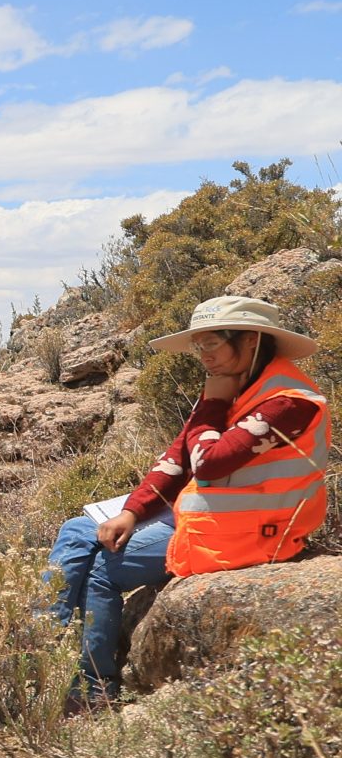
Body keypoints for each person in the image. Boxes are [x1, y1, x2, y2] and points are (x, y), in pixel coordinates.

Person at [47, 295, 327, 700]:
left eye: (212, 343)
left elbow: (208, 463)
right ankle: (39, 640)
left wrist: (212, 402)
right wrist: (132, 512)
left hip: (254, 532)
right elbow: (177, 459)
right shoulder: (234, 385)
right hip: (213, 518)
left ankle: (88, 687)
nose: (203, 356)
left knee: (103, 569)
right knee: (78, 529)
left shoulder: (289, 402)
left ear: (251, 340)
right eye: (199, 346)